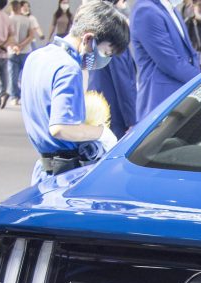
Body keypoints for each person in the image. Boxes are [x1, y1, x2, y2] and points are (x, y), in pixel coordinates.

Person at [21, 0, 129, 182]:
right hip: (64, 173)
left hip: (43, 170)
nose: (105, 60)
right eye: (106, 53)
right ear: (88, 39)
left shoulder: (37, 56)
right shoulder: (68, 68)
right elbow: (61, 128)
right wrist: (101, 133)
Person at [131, 0, 200, 120]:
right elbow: (170, 63)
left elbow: (190, 54)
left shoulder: (172, 9)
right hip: (162, 103)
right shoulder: (146, 11)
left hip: (183, 98)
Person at [88, 0, 137, 138]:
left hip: (97, 107)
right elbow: (123, 84)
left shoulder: (98, 29)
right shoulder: (114, 36)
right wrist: (132, 121)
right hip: (114, 114)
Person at [8, 0, 36, 105]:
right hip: (26, 51)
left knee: (12, 76)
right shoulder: (27, 20)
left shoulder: (8, 20)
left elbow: (7, 35)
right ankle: (27, 96)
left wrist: (15, 46)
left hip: (12, 51)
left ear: (11, 8)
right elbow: (31, 35)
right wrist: (22, 45)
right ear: (20, 8)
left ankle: (14, 97)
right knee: (26, 75)